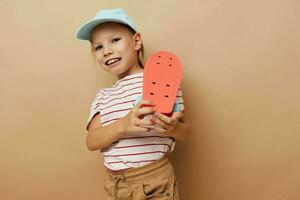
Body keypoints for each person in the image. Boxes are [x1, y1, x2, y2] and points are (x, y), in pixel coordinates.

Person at [76, 8, 191, 200]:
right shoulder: (104, 96)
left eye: (115, 40)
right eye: (98, 47)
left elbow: (185, 131)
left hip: (155, 180)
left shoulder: (164, 79)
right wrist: (123, 125)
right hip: (116, 185)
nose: (107, 51)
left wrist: (173, 128)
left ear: (136, 41)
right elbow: (92, 141)